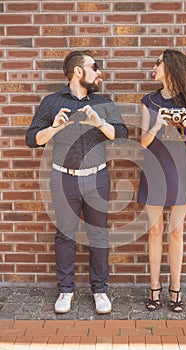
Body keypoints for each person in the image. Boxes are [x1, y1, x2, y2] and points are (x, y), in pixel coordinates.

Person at [25, 50, 128, 314]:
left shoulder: (103, 103)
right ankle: (66, 290)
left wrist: (100, 122)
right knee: (65, 235)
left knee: (98, 235)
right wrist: (55, 128)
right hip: (64, 179)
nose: (99, 73)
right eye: (95, 67)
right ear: (78, 72)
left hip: (97, 178)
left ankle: (100, 290)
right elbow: (32, 139)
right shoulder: (52, 102)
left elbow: (122, 135)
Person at [137, 49, 186, 313]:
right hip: (154, 168)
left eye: (158, 63)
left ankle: (175, 290)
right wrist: (157, 125)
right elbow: (143, 142)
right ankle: (154, 288)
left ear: (171, 68)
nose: (154, 67)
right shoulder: (149, 101)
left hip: (180, 168)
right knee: (155, 230)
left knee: (176, 231)